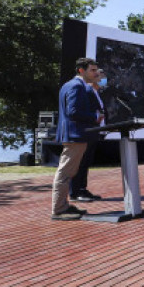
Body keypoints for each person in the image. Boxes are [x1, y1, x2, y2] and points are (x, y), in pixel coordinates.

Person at [50, 58, 103, 220]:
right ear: (81, 70)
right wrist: (95, 116)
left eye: (96, 70)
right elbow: (72, 112)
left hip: (74, 135)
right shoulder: (76, 86)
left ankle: (63, 206)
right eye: (92, 70)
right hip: (75, 136)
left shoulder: (70, 85)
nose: (96, 74)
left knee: (68, 172)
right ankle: (59, 209)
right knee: (65, 172)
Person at [69, 69, 107, 202]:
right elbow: (81, 112)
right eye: (101, 77)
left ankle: (83, 189)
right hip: (86, 132)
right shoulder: (87, 91)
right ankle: (74, 192)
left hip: (94, 132)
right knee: (80, 163)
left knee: (86, 163)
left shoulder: (96, 93)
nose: (103, 80)